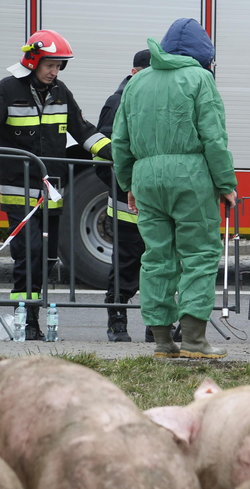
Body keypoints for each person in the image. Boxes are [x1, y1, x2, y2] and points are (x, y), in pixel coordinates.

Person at [111, 18, 237, 359]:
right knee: (198, 255)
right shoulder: (200, 79)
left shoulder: (137, 83)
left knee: (156, 259)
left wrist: (128, 183)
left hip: (146, 178)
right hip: (191, 176)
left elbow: (119, 140)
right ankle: (195, 341)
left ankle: (163, 342)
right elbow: (213, 137)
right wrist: (226, 183)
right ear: (202, 54)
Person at [0, 29, 112, 340]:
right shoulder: (7, 91)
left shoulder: (61, 91)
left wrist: (112, 151)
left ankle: (31, 318)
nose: (55, 71)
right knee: (29, 252)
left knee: (47, 256)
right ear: (33, 61)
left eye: (59, 66)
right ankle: (25, 320)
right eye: (50, 65)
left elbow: (83, 129)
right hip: (18, 188)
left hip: (51, 190)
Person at [97, 48, 159, 343]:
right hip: (125, 204)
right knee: (126, 263)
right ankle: (117, 318)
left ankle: (154, 324)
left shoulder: (155, 101)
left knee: (158, 264)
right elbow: (104, 157)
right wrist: (124, 186)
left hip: (155, 203)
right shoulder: (117, 102)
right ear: (135, 73)